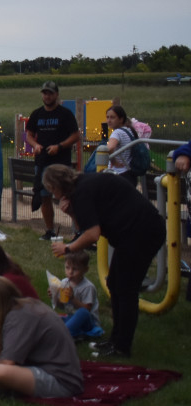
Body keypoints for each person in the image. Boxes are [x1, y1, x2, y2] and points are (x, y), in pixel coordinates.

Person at [43, 164, 165, 358]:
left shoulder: (82, 192)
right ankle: (115, 340)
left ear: (58, 186)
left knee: (125, 288)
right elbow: (87, 225)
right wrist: (71, 213)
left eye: (52, 190)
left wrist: (68, 248)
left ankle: (122, 346)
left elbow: (92, 234)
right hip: (133, 233)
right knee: (114, 283)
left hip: (142, 232)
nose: (53, 195)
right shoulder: (82, 186)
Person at [0, 276, 84, 399]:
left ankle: (11, 391)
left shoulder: (18, 316)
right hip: (64, 373)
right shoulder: (26, 305)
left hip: (61, 382)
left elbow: (5, 362)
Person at [25, 81, 80, 240]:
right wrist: (35, 145)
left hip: (61, 162)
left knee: (68, 197)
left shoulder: (65, 114)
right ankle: (49, 230)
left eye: (50, 93)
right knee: (44, 196)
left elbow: (76, 135)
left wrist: (60, 146)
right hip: (42, 161)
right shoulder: (37, 114)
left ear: (56, 95)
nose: (47, 96)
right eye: (44, 93)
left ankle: (78, 231)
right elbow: (29, 134)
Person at [50, 250, 102, 339]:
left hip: (88, 322)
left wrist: (72, 298)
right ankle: (67, 330)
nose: (70, 272)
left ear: (85, 270)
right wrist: (54, 296)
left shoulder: (88, 287)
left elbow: (87, 310)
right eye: (67, 267)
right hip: (71, 317)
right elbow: (62, 305)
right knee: (51, 316)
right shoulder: (64, 282)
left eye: (75, 269)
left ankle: (64, 333)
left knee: (82, 313)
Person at [103, 105, 139, 184]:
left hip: (118, 174)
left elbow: (109, 148)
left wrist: (113, 161)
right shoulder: (129, 130)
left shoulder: (117, 133)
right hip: (129, 173)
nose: (109, 120)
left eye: (112, 117)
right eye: (107, 117)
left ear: (121, 119)